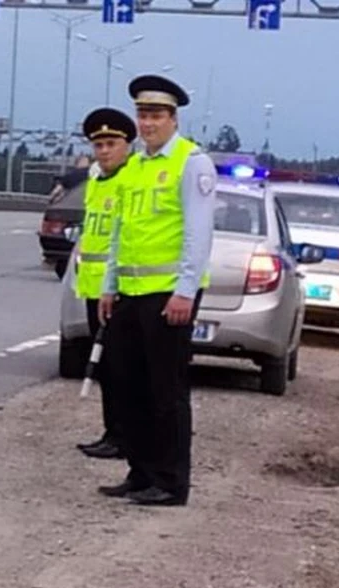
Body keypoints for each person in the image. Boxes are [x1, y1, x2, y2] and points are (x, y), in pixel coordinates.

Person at [97, 75, 216, 507]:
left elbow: (198, 234)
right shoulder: (135, 167)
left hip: (169, 294)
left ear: (173, 119)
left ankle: (170, 481)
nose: (147, 124)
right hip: (131, 291)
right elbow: (120, 231)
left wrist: (185, 291)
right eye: (142, 115)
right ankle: (140, 471)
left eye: (155, 116)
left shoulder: (191, 162)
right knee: (128, 385)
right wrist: (109, 285)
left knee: (166, 392)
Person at [72, 107, 137, 460]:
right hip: (95, 288)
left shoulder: (131, 182)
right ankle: (113, 431)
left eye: (112, 143)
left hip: (121, 290)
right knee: (107, 369)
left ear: (127, 145)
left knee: (121, 369)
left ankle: (125, 436)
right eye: (99, 145)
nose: (105, 151)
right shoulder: (96, 182)